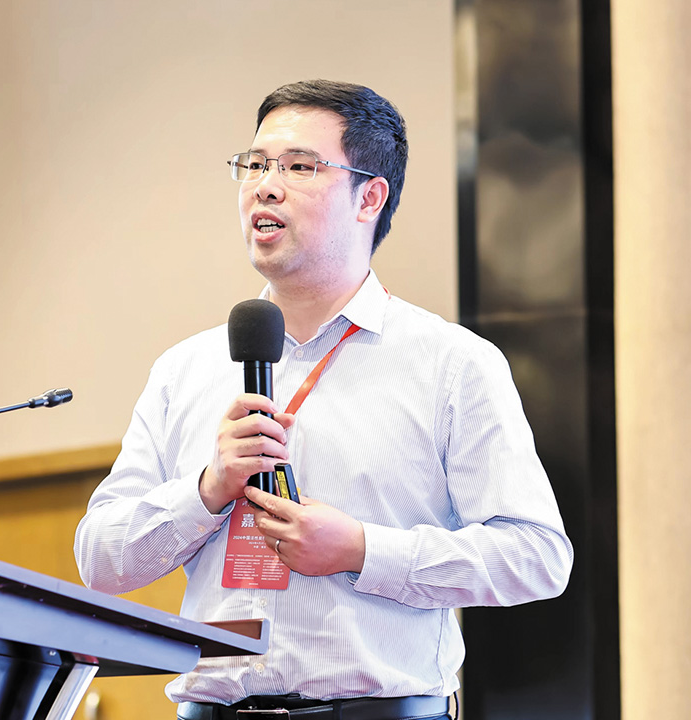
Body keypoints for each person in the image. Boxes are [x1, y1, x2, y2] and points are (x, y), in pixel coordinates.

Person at [74, 80, 572, 720]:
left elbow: (536, 556)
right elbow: (100, 560)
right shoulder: (184, 370)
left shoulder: (452, 364)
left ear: (370, 197)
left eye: (299, 167)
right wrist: (206, 489)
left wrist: (361, 549)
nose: (265, 186)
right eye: (255, 165)